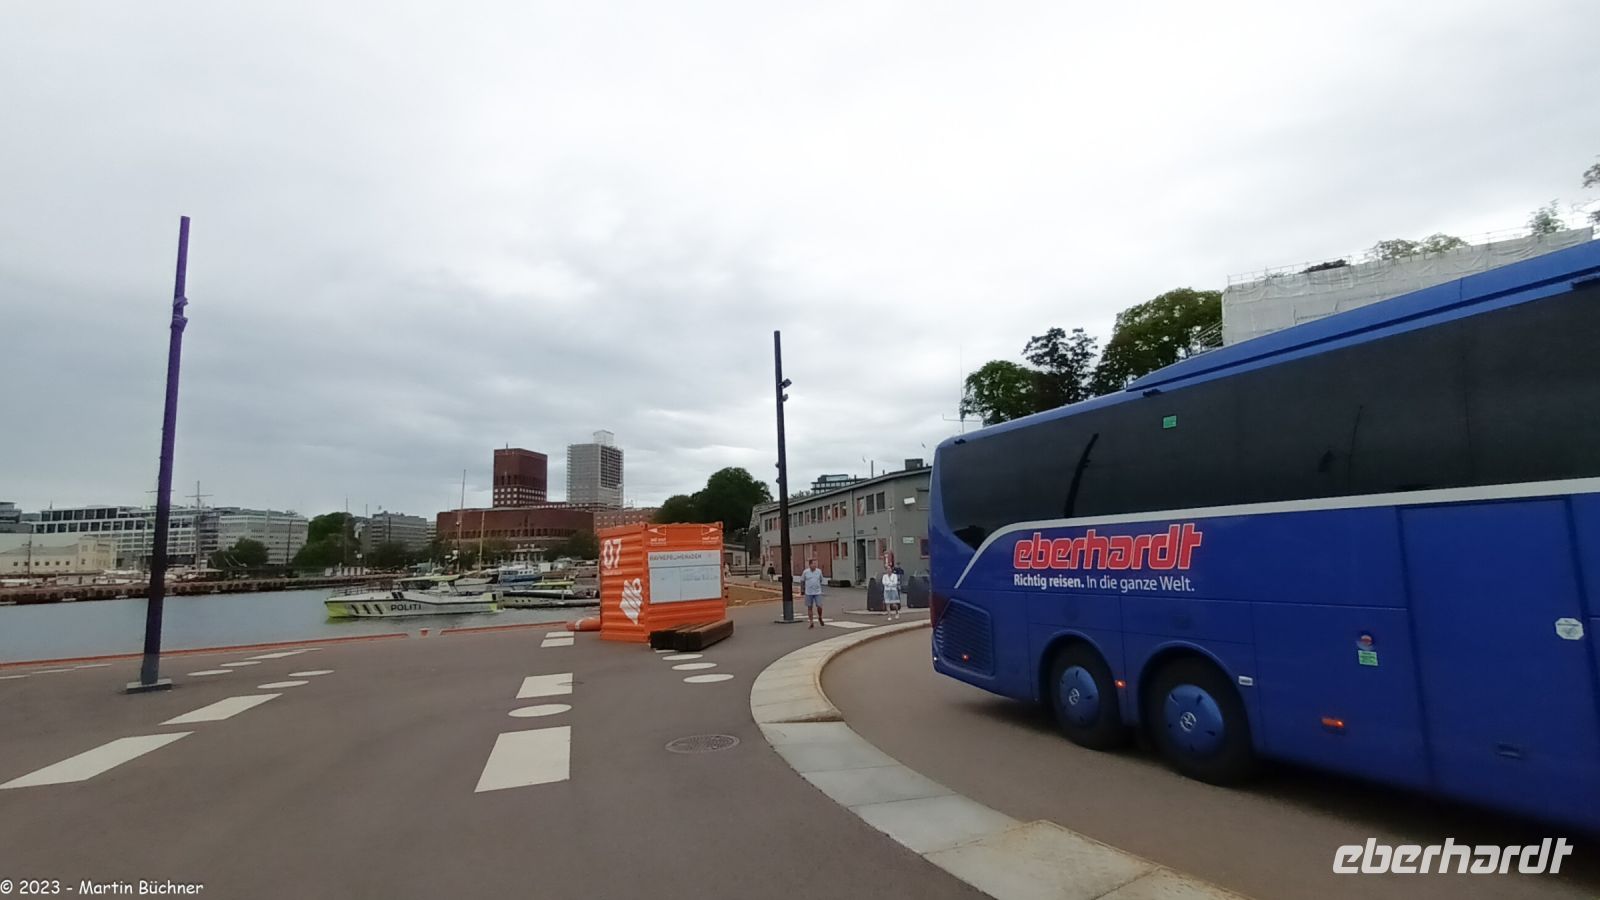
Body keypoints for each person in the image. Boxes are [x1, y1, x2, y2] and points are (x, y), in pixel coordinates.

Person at [801, 559, 826, 628]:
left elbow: (821, 580)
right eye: (814, 564)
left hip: (817, 592)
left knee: (819, 606)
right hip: (808, 592)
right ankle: (811, 622)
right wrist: (802, 590)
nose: (815, 565)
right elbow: (802, 581)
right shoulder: (806, 572)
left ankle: (820, 617)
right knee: (810, 607)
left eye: (816, 564)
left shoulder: (819, 571)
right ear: (810, 565)